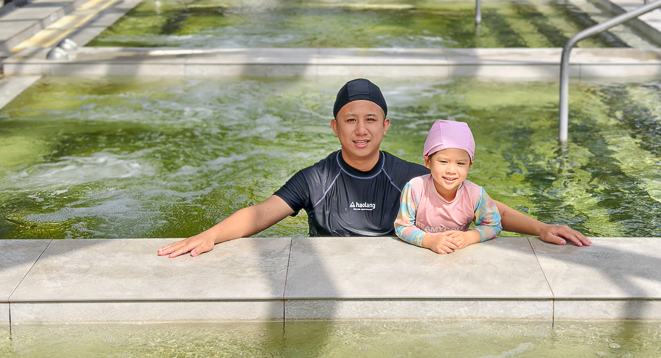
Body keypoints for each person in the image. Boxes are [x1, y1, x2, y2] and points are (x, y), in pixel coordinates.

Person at [157, 78, 590, 258]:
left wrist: (540, 227)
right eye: (350, 120)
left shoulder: (409, 177)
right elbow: (261, 213)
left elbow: (482, 206)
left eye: (370, 120)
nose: (361, 130)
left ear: (385, 126)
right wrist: (211, 234)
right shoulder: (316, 178)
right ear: (335, 127)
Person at [395, 119, 502, 255]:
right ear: (428, 161)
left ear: (469, 165)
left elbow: (494, 225)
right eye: (443, 161)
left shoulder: (476, 194)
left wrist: (469, 237)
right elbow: (402, 226)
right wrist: (429, 241)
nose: (451, 170)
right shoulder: (415, 188)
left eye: (460, 163)